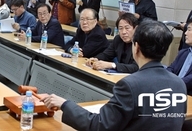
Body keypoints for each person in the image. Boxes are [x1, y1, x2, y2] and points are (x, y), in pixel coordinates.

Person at [42, 20, 187, 131]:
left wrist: (65, 104)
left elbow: (99, 126)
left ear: (136, 47)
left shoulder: (130, 85)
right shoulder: (179, 84)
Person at [167, 18, 192, 95]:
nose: (185, 33)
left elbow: (189, 80)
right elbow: (170, 69)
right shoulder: (183, 52)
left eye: (189, 30)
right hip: (173, 91)